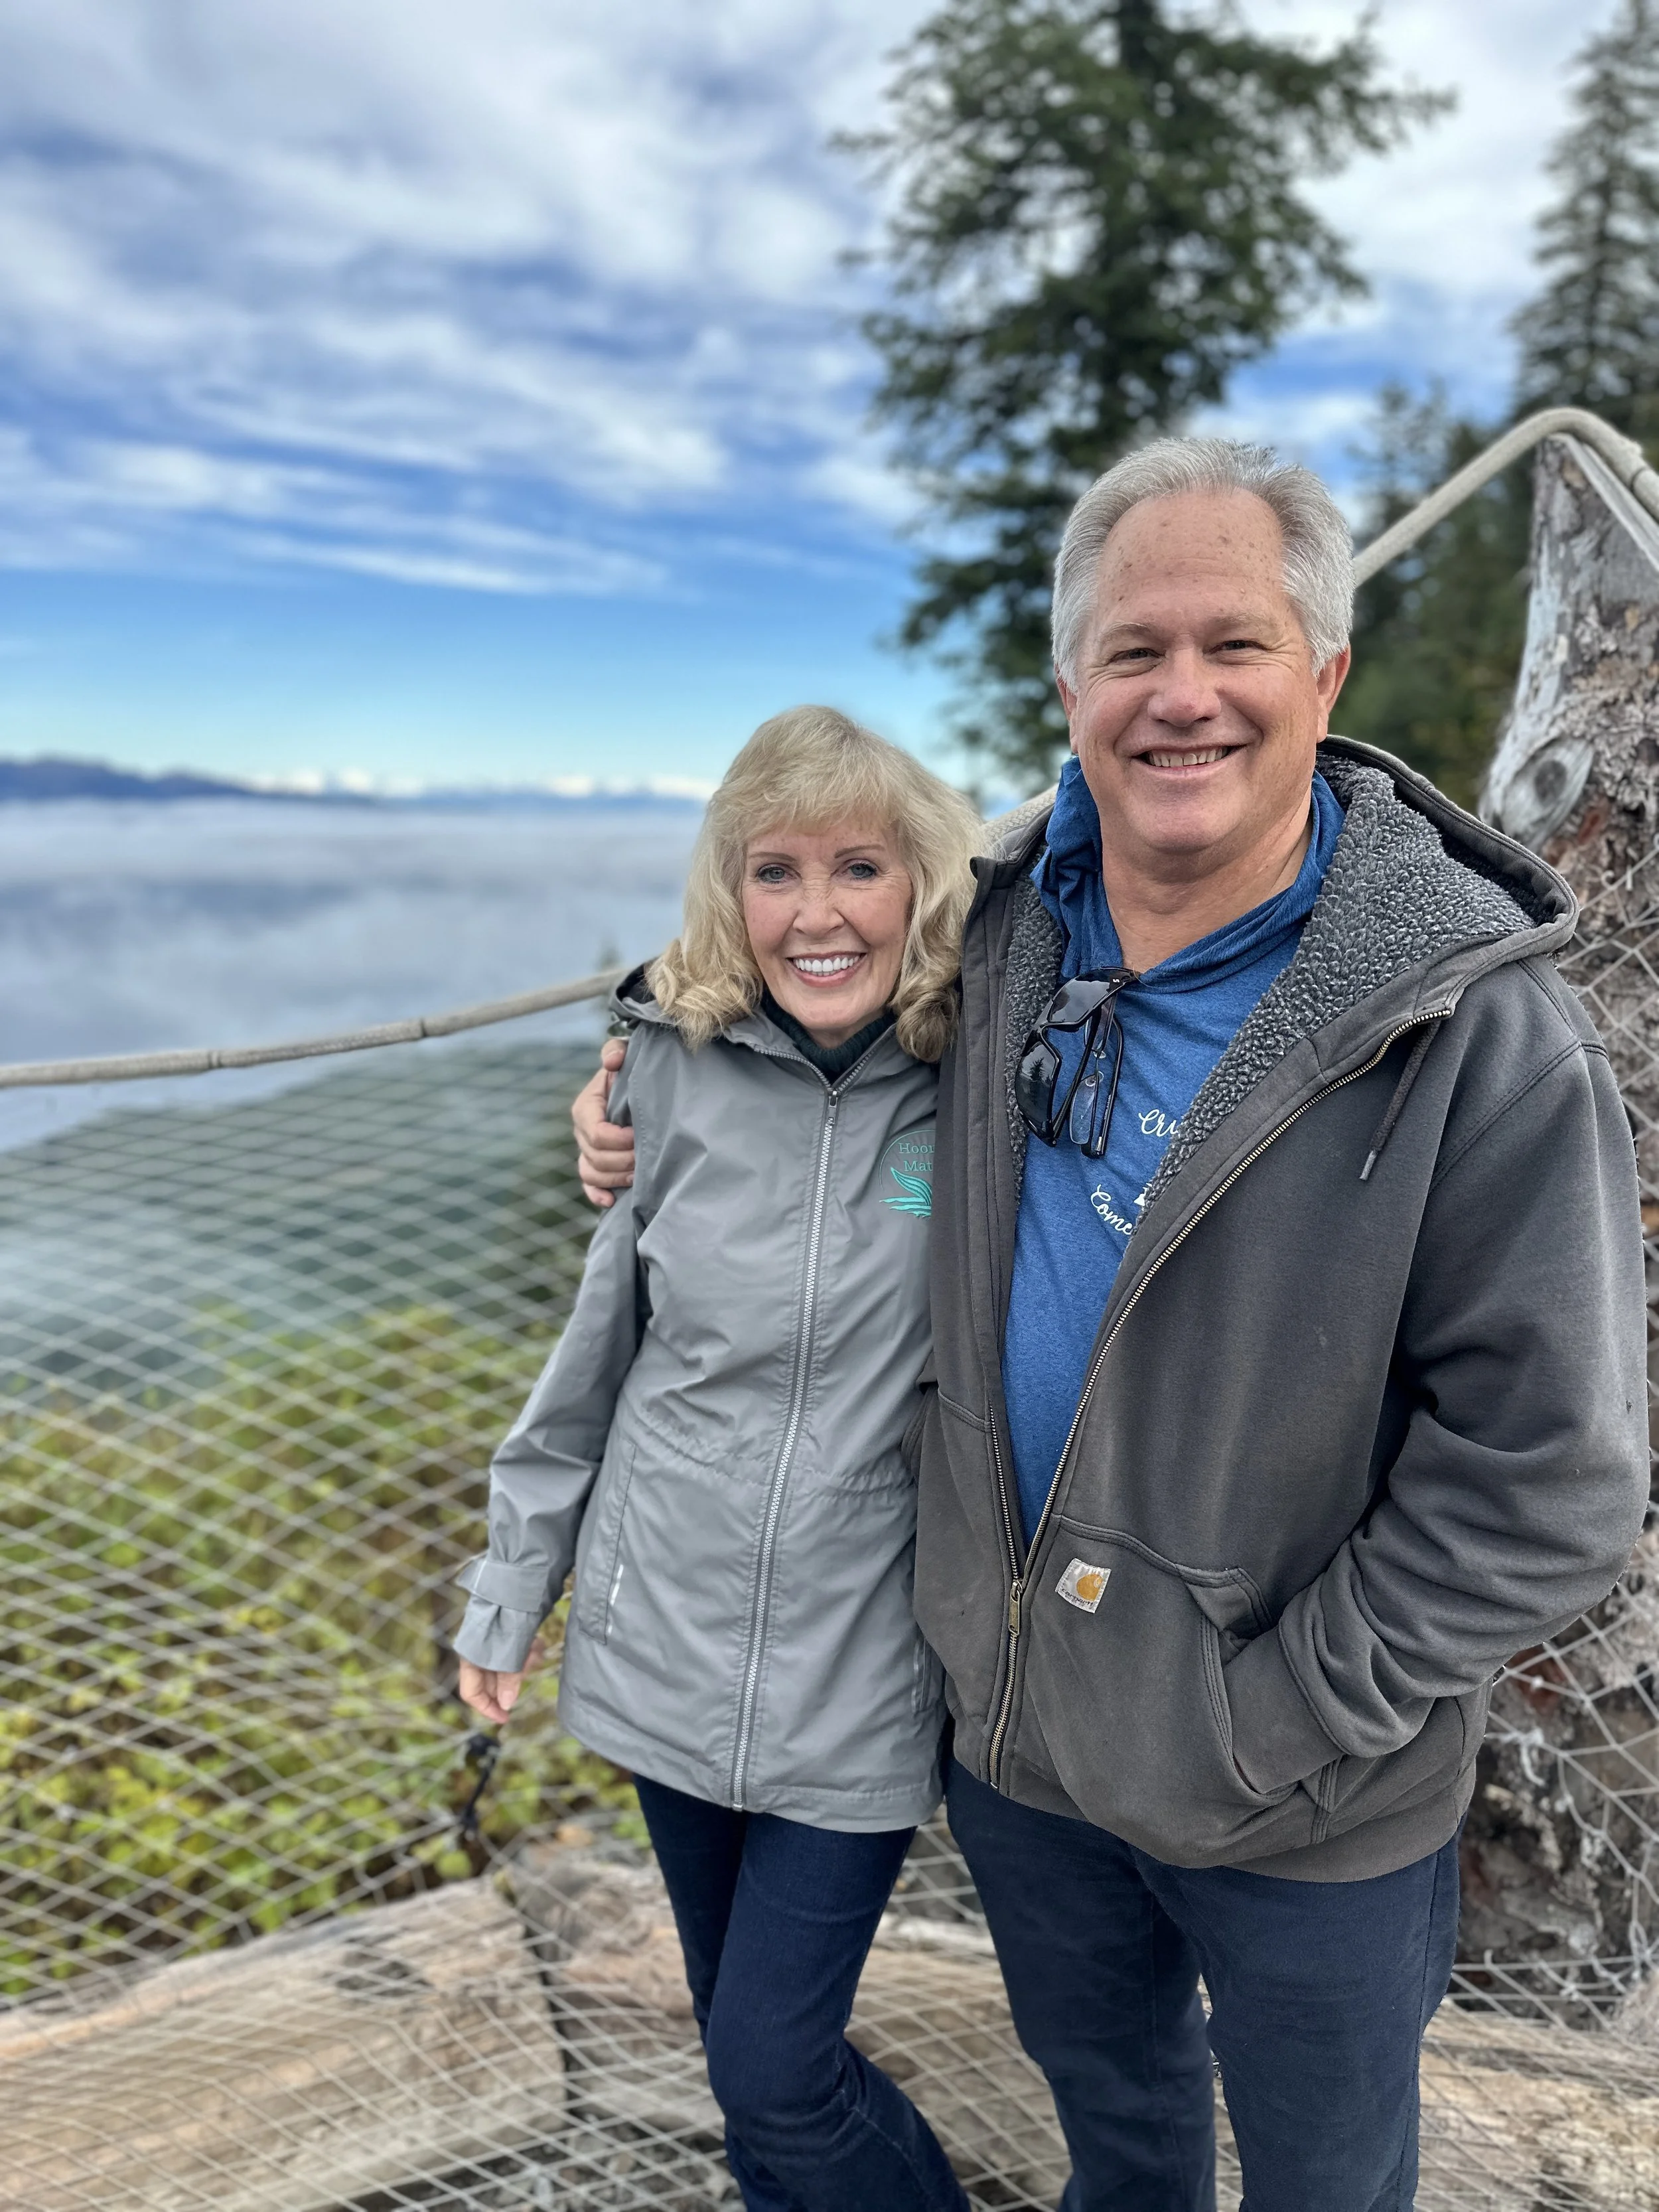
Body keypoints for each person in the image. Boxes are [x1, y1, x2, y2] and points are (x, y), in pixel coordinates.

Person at [573, 439, 1650, 2210]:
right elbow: (778, 994)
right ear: (1065, 690)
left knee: (1323, 2180)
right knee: (1118, 2128)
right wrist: (628, 1088)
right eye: (1131, 653)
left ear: (1323, 676)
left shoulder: (1470, 1030)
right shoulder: (984, 939)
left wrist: (1274, 1710)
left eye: (1232, 645)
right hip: (1023, 1747)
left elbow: (1550, 1477)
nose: (1181, 697)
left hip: (1303, 1791)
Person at [455, 705, 980, 2212]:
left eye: (860, 867)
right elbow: (595, 1359)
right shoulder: (660, 1071)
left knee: (769, 2062)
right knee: (741, 2059)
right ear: (726, 893)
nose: (815, 913)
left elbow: (1126, 830)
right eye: (774, 871)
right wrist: (512, 1584)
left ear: (925, 884)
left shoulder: (990, 1069)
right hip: (663, 1622)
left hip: (863, 1656)